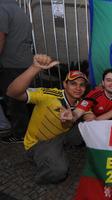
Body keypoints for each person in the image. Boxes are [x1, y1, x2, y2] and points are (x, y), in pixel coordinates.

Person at [6, 54, 88, 184]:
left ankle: (57, 151)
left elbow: (91, 119)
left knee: (88, 125)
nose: (78, 88)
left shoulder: (82, 103)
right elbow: (12, 92)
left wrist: (74, 117)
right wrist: (34, 68)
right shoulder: (49, 95)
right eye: (73, 83)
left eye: (82, 85)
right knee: (59, 171)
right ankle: (41, 168)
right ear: (64, 85)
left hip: (60, 137)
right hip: (39, 143)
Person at [0, 0, 34, 143]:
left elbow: (1, 36)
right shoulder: (17, 9)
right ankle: (28, 130)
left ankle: (20, 134)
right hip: (24, 61)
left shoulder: (2, 9)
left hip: (11, 62)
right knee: (25, 97)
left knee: (14, 98)